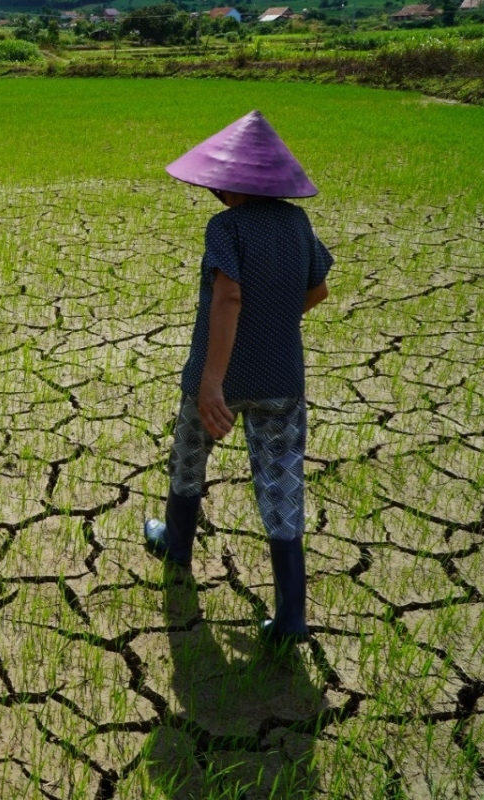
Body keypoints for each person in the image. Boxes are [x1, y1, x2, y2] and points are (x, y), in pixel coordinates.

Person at [142, 110, 333, 646]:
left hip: (222, 376)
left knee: (188, 458)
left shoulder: (226, 228)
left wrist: (212, 382)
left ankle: (176, 545)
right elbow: (318, 290)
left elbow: (228, 296)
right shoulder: (298, 224)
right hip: (282, 379)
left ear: (226, 184)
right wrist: (273, 324)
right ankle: (290, 614)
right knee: (282, 485)